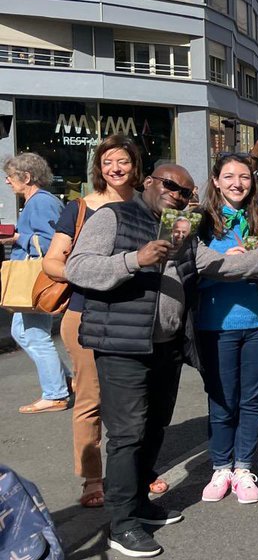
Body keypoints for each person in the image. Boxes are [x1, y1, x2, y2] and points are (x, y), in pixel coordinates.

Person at [66, 164, 258, 558]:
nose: (177, 196)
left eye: (185, 193)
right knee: (128, 434)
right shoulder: (113, 216)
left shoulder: (180, 226)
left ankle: (139, 504)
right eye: (170, 186)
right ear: (149, 182)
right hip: (122, 343)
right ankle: (122, 523)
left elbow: (213, 265)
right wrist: (135, 259)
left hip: (165, 344)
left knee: (153, 428)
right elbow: (78, 268)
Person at [42, 136, 147, 506]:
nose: (115, 168)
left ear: (135, 165)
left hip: (135, 314)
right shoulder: (81, 207)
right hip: (86, 313)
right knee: (91, 399)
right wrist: (90, 272)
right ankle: (91, 479)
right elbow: (52, 261)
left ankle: (134, 474)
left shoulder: (146, 205)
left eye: (122, 161)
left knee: (133, 399)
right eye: (107, 163)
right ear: (98, 169)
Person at [195, 154, 258, 506]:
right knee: (222, 399)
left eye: (244, 176)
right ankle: (220, 466)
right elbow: (191, 276)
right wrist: (231, 263)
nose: (237, 183)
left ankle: (244, 467)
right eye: (228, 176)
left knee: (250, 400)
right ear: (215, 181)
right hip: (216, 323)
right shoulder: (200, 223)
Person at [3, 153, 71, 414]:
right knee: (23, 332)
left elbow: (51, 243)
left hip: (36, 280)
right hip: (33, 279)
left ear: (26, 177)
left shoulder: (41, 203)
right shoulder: (38, 201)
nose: (8, 182)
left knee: (33, 335)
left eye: (10, 177)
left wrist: (17, 237)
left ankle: (55, 393)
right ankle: (63, 381)